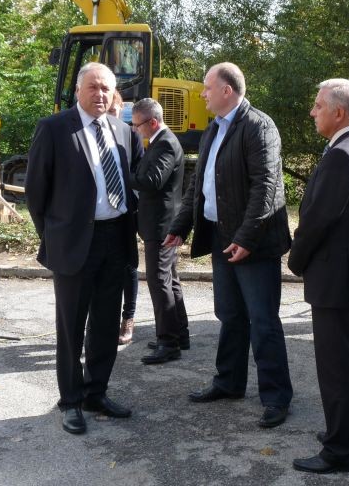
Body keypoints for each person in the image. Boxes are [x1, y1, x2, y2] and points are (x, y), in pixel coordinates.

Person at [164, 61, 293, 428]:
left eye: (207, 87)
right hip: (222, 237)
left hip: (253, 243)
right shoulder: (213, 129)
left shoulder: (258, 126)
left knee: (263, 321)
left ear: (227, 90)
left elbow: (266, 187)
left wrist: (246, 238)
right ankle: (229, 382)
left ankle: (276, 397)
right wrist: (181, 225)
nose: (202, 93)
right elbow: (198, 185)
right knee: (230, 315)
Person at [25, 62, 142, 435]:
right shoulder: (54, 128)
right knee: (71, 327)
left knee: (106, 325)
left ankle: (96, 393)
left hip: (115, 239)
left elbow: (131, 185)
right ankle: (71, 401)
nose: (100, 94)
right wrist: (54, 236)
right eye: (93, 87)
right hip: (74, 243)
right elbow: (35, 192)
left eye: (106, 88)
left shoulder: (123, 131)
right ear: (78, 90)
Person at [288, 79, 349, 474]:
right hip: (347, 270)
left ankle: (340, 450)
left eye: (318, 105)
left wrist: (295, 260)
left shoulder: (342, 154)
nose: (312, 112)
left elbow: (317, 220)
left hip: (333, 274)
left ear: (338, 112)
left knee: (336, 365)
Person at [129, 98, 190, 364]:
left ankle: (168, 342)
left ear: (153, 122)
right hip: (161, 223)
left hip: (161, 225)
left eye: (137, 125)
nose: (135, 130)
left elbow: (152, 180)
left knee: (159, 281)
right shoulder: (159, 141)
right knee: (170, 279)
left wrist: (122, 175)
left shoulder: (165, 143)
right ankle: (180, 334)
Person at [108, 89, 139, 345]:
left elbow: (140, 172)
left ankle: (128, 317)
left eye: (114, 111)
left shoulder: (130, 134)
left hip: (126, 213)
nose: (110, 116)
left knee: (129, 267)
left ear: (121, 110)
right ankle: (102, 320)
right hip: (98, 217)